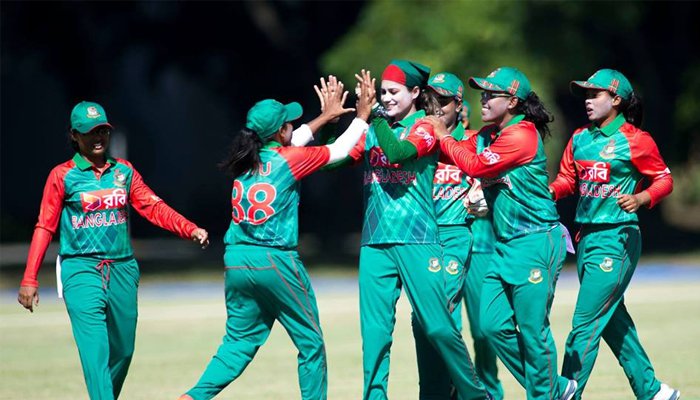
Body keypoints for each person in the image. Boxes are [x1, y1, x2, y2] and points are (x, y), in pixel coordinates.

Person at [178, 71, 376, 400]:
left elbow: (291, 142)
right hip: (275, 261)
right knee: (311, 344)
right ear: (280, 131)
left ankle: (192, 397)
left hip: (237, 259)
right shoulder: (289, 160)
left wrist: (323, 118)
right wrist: (363, 116)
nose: (292, 127)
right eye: (288, 123)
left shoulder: (245, 160)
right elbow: (340, 150)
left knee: (238, 343)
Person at [17, 101, 210, 400]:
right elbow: (45, 226)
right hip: (81, 269)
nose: (98, 138)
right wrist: (30, 277)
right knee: (95, 353)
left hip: (122, 268)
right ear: (74, 135)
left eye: (103, 131)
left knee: (123, 350)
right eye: (90, 132)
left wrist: (189, 228)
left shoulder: (124, 171)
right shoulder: (62, 175)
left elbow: (153, 207)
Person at [425, 66, 577, 400]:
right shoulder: (488, 135)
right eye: (482, 93)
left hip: (536, 239)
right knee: (492, 326)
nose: (483, 99)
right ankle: (556, 388)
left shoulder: (522, 134)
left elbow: (475, 165)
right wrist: (423, 129)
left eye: (491, 94)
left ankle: (545, 394)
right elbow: (456, 150)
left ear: (512, 101)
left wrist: (442, 136)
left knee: (533, 331)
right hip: (506, 244)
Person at [348, 61, 488, 400]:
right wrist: (331, 122)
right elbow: (336, 157)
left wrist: (374, 116)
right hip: (375, 240)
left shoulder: (425, 126)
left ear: (414, 93)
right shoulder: (374, 128)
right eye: (382, 92)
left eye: (393, 92)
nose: (385, 98)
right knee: (375, 334)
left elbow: (398, 153)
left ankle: (474, 393)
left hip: (419, 238)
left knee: (436, 325)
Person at [550, 69, 679, 400]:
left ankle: (566, 393)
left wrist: (641, 198)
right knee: (611, 319)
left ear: (617, 99)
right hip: (586, 239)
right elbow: (567, 180)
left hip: (617, 238)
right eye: (586, 95)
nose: (588, 101)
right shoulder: (580, 138)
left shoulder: (636, 139)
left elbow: (664, 180)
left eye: (595, 94)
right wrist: (548, 191)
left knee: (585, 323)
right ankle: (652, 391)